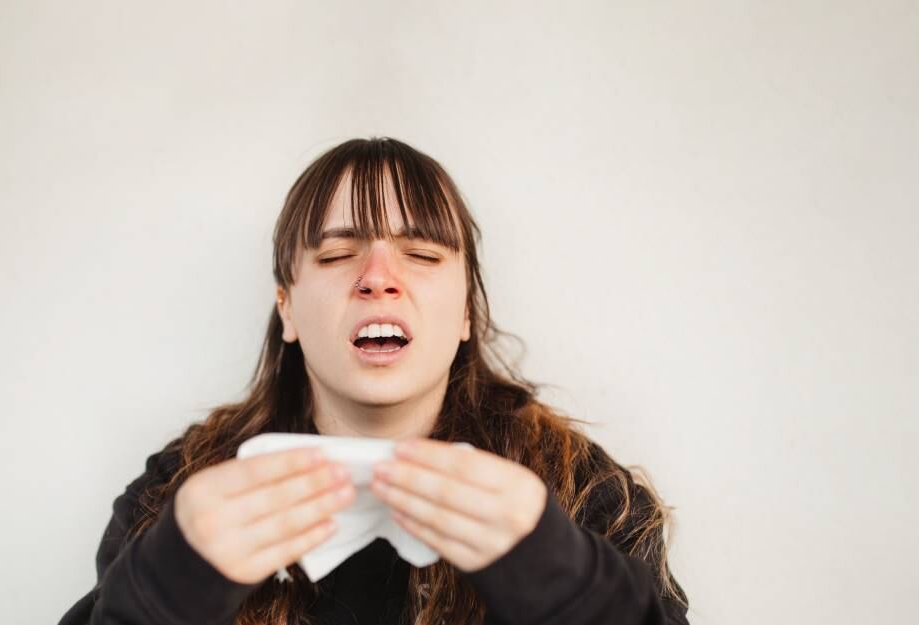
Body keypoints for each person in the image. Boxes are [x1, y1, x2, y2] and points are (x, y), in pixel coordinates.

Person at [58, 137, 691, 625]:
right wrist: (166, 587)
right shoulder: (174, 497)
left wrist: (569, 580)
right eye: (336, 255)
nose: (379, 276)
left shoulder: (588, 496)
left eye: (421, 254)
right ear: (287, 309)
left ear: (467, 311)